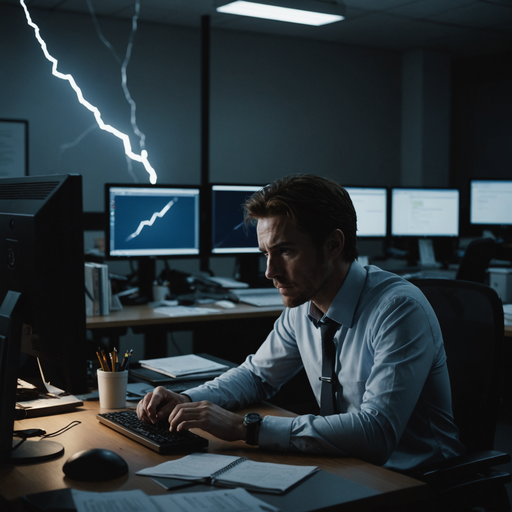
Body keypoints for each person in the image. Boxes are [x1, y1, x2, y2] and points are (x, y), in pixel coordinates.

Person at [137, 174, 465, 471]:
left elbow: (376, 434)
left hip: (419, 479)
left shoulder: (397, 309)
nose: (270, 271)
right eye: (265, 253)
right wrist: (188, 399)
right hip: (347, 463)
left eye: (285, 251)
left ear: (333, 244)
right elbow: (256, 376)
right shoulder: (303, 303)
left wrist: (245, 428)